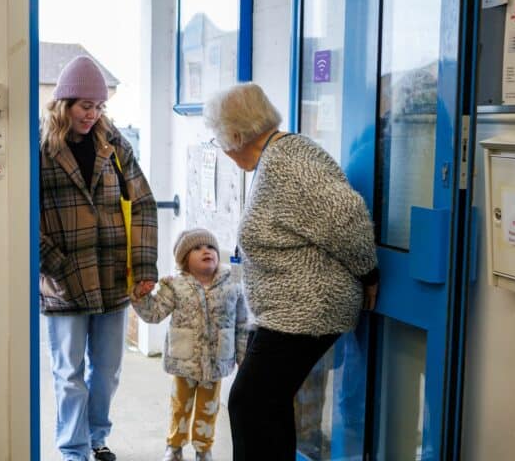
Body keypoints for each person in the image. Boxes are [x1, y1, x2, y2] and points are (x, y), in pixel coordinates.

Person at [202, 82, 379, 461]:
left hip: (305, 310)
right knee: (265, 404)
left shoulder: (286, 162)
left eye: (218, 139)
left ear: (234, 135)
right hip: (288, 311)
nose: (223, 148)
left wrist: (369, 273)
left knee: (249, 404)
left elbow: (346, 216)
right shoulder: (278, 157)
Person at [39, 55, 158, 461]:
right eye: (84, 106)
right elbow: (22, 214)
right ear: (64, 104)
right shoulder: (41, 148)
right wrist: (55, 264)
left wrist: (143, 267)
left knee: (106, 370)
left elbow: (142, 202)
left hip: (111, 276)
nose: (92, 115)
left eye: (99, 106)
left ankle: (97, 437)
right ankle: (73, 450)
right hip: (65, 280)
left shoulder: (115, 143)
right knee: (69, 374)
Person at [131, 228, 248, 461]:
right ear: (184, 259)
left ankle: (203, 449)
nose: (206, 251)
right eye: (197, 248)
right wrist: (140, 297)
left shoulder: (232, 284)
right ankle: (174, 447)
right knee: (180, 407)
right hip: (185, 361)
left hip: (216, 362)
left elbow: (241, 323)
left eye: (210, 247)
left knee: (209, 408)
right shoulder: (175, 286)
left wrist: (242, 355)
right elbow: (154, 314)